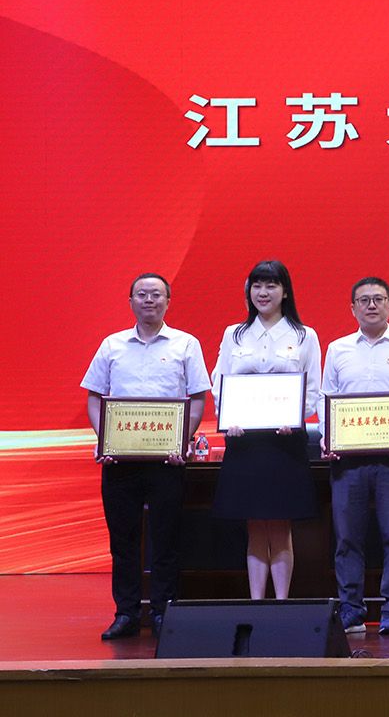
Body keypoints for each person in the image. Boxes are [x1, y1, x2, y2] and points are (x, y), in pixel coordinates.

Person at [82, 273, 210, 639]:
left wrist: (182, 441)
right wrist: (105, 439)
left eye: (156, 294)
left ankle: (162, 612)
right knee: (123, 541)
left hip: (167, 461)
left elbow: (197, 397)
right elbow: (94, 396)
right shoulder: (112, 345)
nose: (149, 300)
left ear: (168, 301)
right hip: (120, 462)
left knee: (165, 540)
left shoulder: (186, 344)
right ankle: (126, 613)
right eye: (142, 294)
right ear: (131, 302)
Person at [322, 277, 389, 634]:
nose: (371, 305)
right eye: (364, 300)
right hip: (347, 459)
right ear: (353, 308)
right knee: (347, 538)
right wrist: (328, 437)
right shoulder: (338, 349)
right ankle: (351, 609)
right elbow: (326, 398)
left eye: (379, 299)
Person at [209, 260, 321, 601]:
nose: (263, 292)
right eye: (257, 285)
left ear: (285, 292)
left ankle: (281, 603)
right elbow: (219, 383)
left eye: (271, 285)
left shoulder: (304, 335)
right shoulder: (234, 334)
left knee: (280, 523)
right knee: (254, 524)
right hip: (245, 444)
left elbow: (313, 389)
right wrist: (228, 418)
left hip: (284, 444)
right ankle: (257, 602)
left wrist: (295, 416)